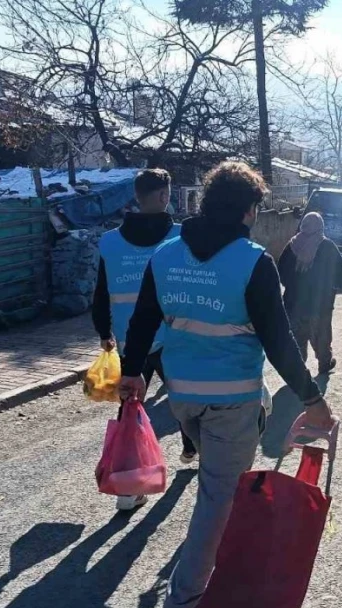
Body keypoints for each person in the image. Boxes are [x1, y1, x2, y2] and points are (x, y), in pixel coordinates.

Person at [117, 161, 334, 608]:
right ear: (249, 209)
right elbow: (279, 342)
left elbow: (142, 321)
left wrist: (132, 372)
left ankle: (207, 577)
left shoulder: (166, 256)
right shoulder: (253, 262)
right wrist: (313, 399)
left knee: (218, 488)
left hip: (183, 398)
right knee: (217, 498)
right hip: (231, 399)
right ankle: (183, 604)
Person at [93, 168, 196, 511]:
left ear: (136, 197)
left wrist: (103, 332)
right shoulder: (181, 237)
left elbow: (100, 293)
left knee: (130, 412)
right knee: (185, 398)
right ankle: (192, 447)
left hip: (128, 343)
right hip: (172, 336)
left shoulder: (109, 242)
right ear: (165, 195)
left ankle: (127, 490)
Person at [278, 212, 342, 376]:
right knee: (322, 336)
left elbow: (280, 270)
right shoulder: (327, 246)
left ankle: (298, 370)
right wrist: (331, 289)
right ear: (320, 226)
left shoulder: (292, 245)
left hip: (294, 304)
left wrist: (292, 286)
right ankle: (324, 363)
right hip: (320, 304)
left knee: (297, 339)